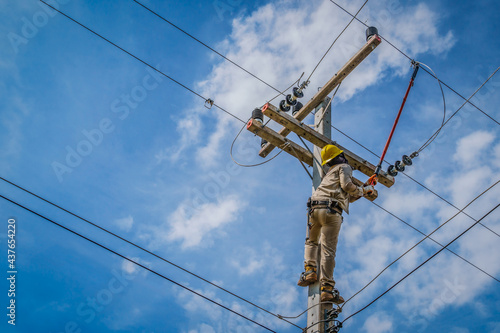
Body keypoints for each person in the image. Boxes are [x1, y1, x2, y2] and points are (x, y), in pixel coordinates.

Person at [297, 144, 374, 303]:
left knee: (311, 241)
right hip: (331, 212)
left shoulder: (328, 175)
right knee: (327, 251)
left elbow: (348, 196)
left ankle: (310, 271)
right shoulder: (344, 167)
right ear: (341, 156)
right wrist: (364, 190)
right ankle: (327, 289)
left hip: (314, 209)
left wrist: (364, 188)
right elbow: (347, 186)